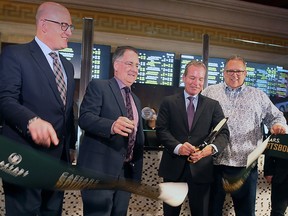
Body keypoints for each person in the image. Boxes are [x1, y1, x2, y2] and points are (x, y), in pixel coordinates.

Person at [0, 2, 76, 216]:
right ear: (43, 24)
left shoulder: (67, 67)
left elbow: (66, 112)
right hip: (23, 157)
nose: (68, 32)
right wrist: (31, 121)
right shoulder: (15, 55)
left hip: (57, 163)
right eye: (64, 25)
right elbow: (5, 99)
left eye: (70, 27)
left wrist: (70, 149)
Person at [201, 55, 287, 216]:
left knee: (246, 213)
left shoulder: (258, 95)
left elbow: (276, 117)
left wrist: (278, 126)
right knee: (211, 211)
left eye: (239, 71)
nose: (235, 74)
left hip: (246, 166)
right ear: (224, 72)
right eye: (230, 71)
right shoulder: (210, 92)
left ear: (245, 73)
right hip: (215, 163)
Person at [77, 46, 145, 216]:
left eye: (137, 65)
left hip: (125, 174)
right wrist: (112, 126)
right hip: (99, 171)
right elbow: (84, 118)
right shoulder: (99, 86)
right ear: (116, 65)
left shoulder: (136, 100)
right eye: (130, 63)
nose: (134, 69)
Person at [156, 60, 229, 216]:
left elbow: (224, 133)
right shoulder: (168, 102)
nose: (196, 82)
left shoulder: (213, 105)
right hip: (173, 169)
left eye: (200, 79)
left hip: (201, 170)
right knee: (170, 214)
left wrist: (209, 150)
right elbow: (161, 130)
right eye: (192, 77)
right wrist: (178, 147)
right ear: (184, 77)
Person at [264, 112, 288, 216]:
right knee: (277, 211)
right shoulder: (280, 119)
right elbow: (271, 146)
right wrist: (268, 171)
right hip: (281, 175)